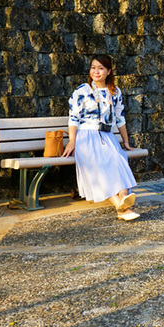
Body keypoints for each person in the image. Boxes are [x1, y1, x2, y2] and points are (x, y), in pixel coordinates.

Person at [63, 54, 139, 221]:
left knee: (119, 159)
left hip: (107, 136)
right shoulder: (82, 91)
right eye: (93, 68)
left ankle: (123, 200)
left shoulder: (115, 92)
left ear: (108, 71)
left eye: (100, 68)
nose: (96, 72)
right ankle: (121, 207)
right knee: (99, 165)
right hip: (86, 137)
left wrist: (126, 141)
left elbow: (120, 118)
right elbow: (73, 118)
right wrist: (72, 142)